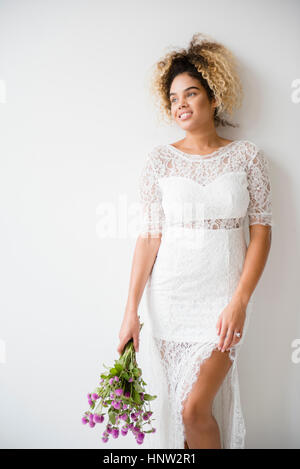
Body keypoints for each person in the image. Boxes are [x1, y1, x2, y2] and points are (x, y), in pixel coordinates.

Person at [117, 32, 273, 449]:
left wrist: (240, 300)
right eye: (173, 97)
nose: (180, 104)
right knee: (186, 410)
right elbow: (148, 238)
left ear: (214, 97)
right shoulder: (159, 160)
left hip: (224, 295)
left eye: (191, 93)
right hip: (170, 298)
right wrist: (131, 311)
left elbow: (261, 231)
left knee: (193, 409)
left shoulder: (247, 157)